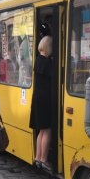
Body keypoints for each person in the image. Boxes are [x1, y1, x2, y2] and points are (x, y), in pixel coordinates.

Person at [29, 36, 53, 171]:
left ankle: (37, 157)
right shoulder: (47, 62)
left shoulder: (38, 60)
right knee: (47, 130)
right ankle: (44, 159)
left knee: (41, 131)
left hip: (37, 98)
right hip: (45, 99)